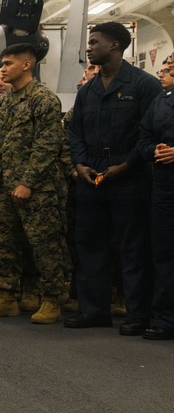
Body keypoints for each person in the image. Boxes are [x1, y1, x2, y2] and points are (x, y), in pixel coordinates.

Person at [66, 22, 161, 335]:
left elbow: (150, 132)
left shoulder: (144, 85)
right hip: (91, 175)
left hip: (129, 177)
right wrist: (79, 163)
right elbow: (75, 130)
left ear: (116, 45)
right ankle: (94, 310)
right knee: (89, 245)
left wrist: (127, 164)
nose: (89, 48)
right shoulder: (88, 91)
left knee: (134, 248)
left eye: (94, 42)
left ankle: (138, 314)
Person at [0, 43, 66, 324]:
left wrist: (28, 182)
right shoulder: (5, 102)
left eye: (7, 64)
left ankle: (51, 299)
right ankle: (6, 296)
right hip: (3, 183)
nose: (2, 70)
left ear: (27, 65)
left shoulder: (44, 99)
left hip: (36, 187)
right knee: (1, 243)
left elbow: (47, 144)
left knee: (44, 244)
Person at [137, 67, 174, 340]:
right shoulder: (161, 100)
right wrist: (154, 150)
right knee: (164, 254)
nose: (165, 69)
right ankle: (166, 318)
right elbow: (144, 137)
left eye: (171, 66)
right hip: (165, 186)